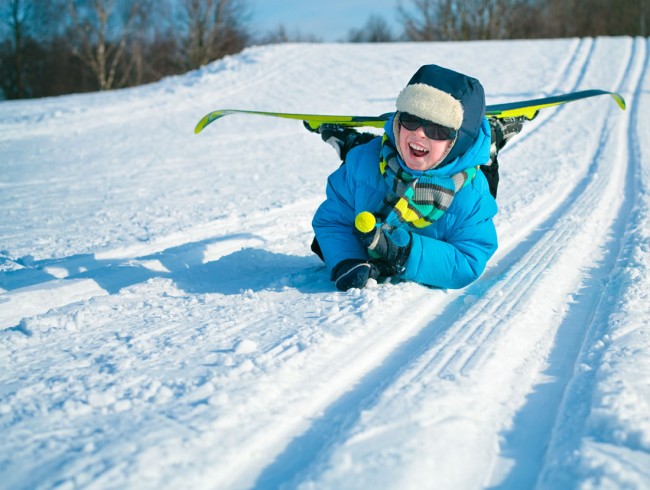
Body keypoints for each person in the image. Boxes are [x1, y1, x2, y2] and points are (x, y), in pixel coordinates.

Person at [310, 64, 520, 292]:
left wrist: (404, 253)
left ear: (457, 141)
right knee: (362, 162)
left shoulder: (473, 194)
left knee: (486, 175)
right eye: (410, 119)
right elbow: (332, 222)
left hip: (458, 181)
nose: (420, 132)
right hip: (376, 159)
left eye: (438, 130)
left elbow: (468, 260)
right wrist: (347, 260)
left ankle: (493, 139)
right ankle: (351, 141)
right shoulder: (362, 163)